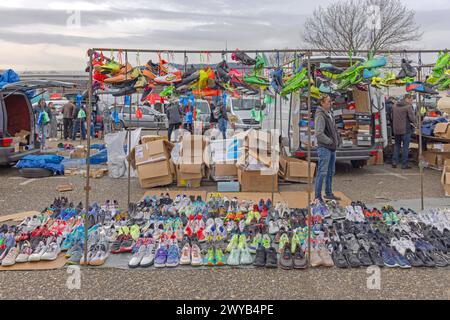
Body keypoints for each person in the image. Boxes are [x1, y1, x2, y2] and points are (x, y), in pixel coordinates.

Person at [314, 95, 341, 202]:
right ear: (322, 103)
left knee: (330, 172)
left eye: (330, 101)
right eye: (328, 102)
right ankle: (317, 197)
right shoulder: (320, 115)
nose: (331, 103)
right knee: (322, 172)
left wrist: (337, 140)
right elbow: (319, 133)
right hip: (325, 148)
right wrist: (330, 141)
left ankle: (329, 193)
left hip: (331, 148)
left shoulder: (329, 113)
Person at [391, 94, 416, 169]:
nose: (412, 101)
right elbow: (412, 119)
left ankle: (394, 162)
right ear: (407, 99)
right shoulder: (408, 107)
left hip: (396, 129)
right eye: (411, 100)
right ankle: (404, 164)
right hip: (405, 129)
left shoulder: (394, 106)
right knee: (405, 147)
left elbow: (392, 117)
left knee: (397, 145)